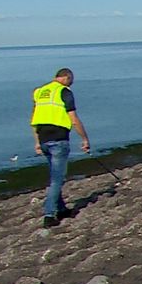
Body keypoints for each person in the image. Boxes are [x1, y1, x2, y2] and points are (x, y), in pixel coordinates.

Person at [30, 68, 90, 227]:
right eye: (71, 80)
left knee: (54, 175)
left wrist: (36, 142)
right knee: (57, 179)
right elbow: (73, 118)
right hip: (58, 138)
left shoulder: (40, 92)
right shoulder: (64, 92)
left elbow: (35, 120)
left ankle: (61, 209)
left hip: (43, 138)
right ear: (66, 78)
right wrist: (84, 138)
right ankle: (49, 214)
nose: (72, 84)